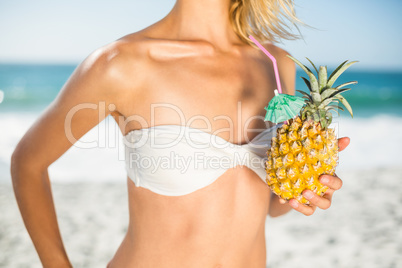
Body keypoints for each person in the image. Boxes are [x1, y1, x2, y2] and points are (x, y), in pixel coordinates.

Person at [10, 0, 350, 267]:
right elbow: (28, 162)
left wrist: (307, 186)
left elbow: (272, 207)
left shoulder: (275, 63)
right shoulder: (122, 63)